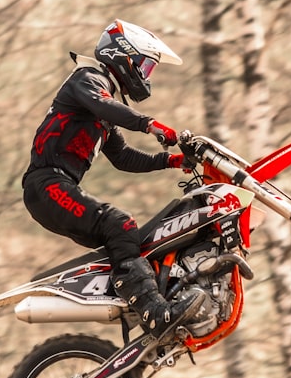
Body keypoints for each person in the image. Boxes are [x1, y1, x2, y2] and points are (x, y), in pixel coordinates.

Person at [21, 19, 203, 337]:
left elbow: (123, 158)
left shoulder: (103, 111)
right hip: (46, 185)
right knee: (120, 224)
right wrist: (151, 124)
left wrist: (172, 161)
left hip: (55, 187)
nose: (145, 75)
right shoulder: (87, 78)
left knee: (133, 241)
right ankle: (155, 313)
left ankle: (143, 297)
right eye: (144, 66)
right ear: (123, 56)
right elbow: (105, 104)